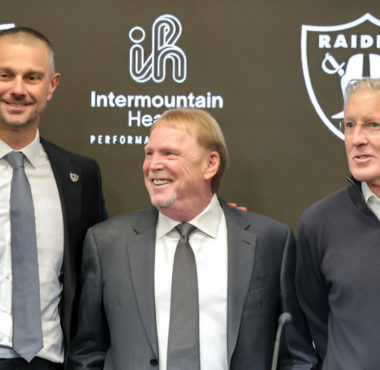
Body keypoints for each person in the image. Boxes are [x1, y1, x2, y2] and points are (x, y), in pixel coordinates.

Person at [68, 108, 317, 370]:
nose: (153, 165)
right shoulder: (108, 244)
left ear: (210, 164)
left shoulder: (271, 242)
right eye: (149, 153)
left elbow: (297, 355)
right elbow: (87, 352)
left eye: (169, 154)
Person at [0, 27, 107, 369]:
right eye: (5, 75)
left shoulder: (81, 176)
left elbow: (101, 267)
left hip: (49, 360)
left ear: (52, 85)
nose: (18, 89)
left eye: (32, 77)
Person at [296, 78, 380, 369]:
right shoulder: (318, 224)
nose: (357, 138)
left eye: (373, 125)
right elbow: (312, 324)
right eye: (349, 125)